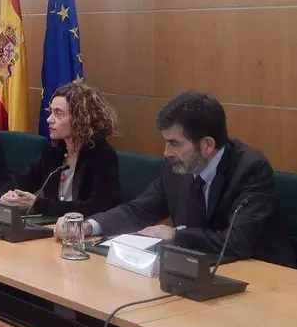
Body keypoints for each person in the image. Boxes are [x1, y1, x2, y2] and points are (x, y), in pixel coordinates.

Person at [55, 90, 294, 266]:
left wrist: (176, 235)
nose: (166, 152)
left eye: (174, 143)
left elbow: (237, 242)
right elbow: (138, 210)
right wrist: (87, 225)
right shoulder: (175, 167)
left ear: (207, 145)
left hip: (256, 278)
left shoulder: (250, 169)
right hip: (190, 271)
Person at [0, 82, 120, 217]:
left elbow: (97, 207)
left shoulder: (102, 155)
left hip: (85, 232)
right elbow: (23, 181)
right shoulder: (53, 150)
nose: (49, 119)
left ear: (80, 119)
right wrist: (6, 196)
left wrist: (38, 204)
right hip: (54, 227)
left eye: (58, 113)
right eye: (51, 112)